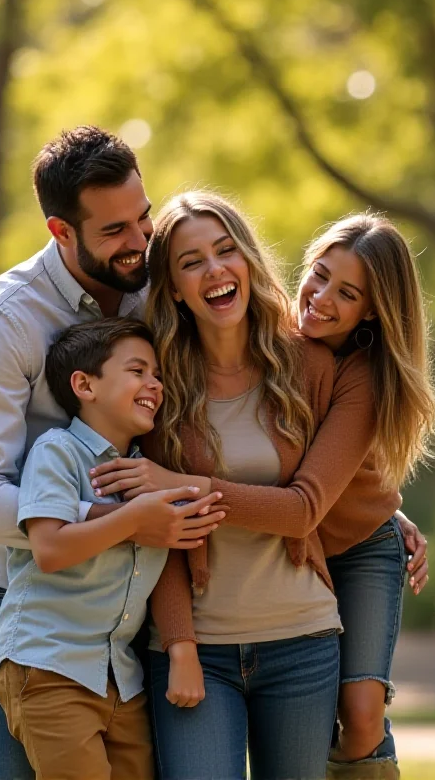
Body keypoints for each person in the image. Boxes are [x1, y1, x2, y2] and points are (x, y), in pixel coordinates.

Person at [0, 126, 222, 780]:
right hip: (8, 603)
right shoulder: (8, 320)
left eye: (144, 217)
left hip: (113, 624)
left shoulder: (158, 291)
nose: (139, 242)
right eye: (114, 232)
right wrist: (110, 518)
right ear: (60, 231)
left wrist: (371, 503)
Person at [91, 191, 381, 780]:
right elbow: (157, 527)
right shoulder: (158, 380)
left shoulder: (313, 367)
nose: (215, 269)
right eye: (191, 261)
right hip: (202, 647)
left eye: (226, 251)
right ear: (172, 286)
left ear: (247, 260)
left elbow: (305, 511)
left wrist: (181, 483)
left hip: (301, 638)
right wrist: (180, 645)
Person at [0, 317, 222, 780]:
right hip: (50, 665)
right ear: (84, 385)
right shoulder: (57, 451)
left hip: (121, 678)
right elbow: (49, 547)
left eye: (157, 374)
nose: (154, 384)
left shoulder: (146, 470)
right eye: (137, 371)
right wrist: (135, 519)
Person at [296, 214, 435, 779]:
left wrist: (389, 514)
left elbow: (349, 473)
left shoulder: (368, 372)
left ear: (373, 310)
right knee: (306, 713)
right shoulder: (271, 340)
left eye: (347, 292)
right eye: (320, 274)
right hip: (290, 542)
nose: (322, 297)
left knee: (361, 715)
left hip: (361, 548)